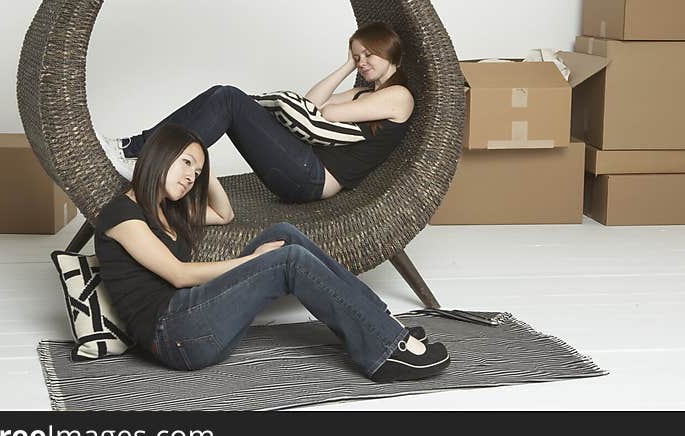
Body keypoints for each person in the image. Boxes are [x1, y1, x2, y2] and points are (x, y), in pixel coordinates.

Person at [94, 123, 450, 382]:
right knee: (287, 260)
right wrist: (255, 260)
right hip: (173, 337)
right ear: (159, 155)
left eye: (196, 170)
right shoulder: (121, 215)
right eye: (185, 163)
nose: (191, 177)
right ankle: (386, 352)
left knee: (284, 234)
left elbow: (224, 214)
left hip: (191, 320)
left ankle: (381, 325)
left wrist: (206, 168)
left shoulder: (167, 207)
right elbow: (178, 275)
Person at [96, 22, 414, 203]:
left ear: (390, 53)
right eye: (358, 56)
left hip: (312, 178)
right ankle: (137, 148)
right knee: (223, 96)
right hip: (300, 163)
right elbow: (312, 105)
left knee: (230, 99)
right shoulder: (361, 92)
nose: (362, 62)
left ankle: (141, 153)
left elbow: (327, 115)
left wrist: (329, 109)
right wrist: (346, 66)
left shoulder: (399, 96)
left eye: (369, 54)